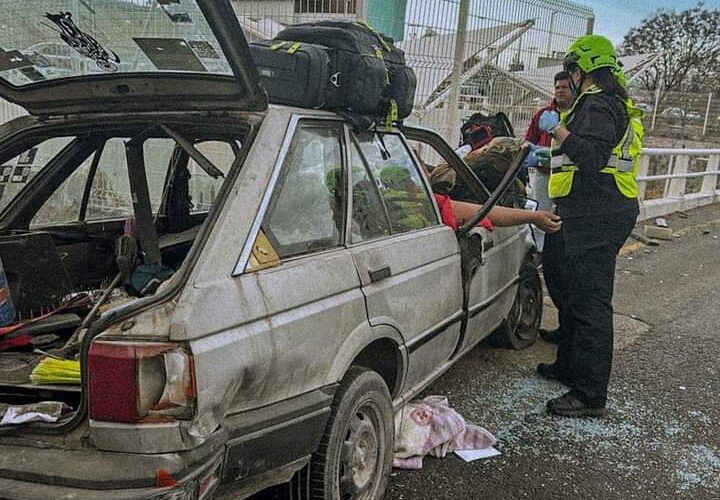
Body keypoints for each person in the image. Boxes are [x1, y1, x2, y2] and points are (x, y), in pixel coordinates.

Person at [536, 35, 644, 417]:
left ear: (582, 71)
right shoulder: (606, 103)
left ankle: (589, 394)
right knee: (565, 286)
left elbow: (594, 156)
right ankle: (568, 364)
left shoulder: (598, 104)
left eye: (572, 73)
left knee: (591, 303)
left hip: (598, 216)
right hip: (585, 212)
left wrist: (559, 132)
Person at [525, 72, 575, 345]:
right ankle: (540, 255)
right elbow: (528, 139)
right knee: (540, 221)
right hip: (544, 176)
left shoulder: (577, 116)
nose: (560, 91)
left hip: (567, 182)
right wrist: (532, 152)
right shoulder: (544, 113)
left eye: (565, 87)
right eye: (557, 87)